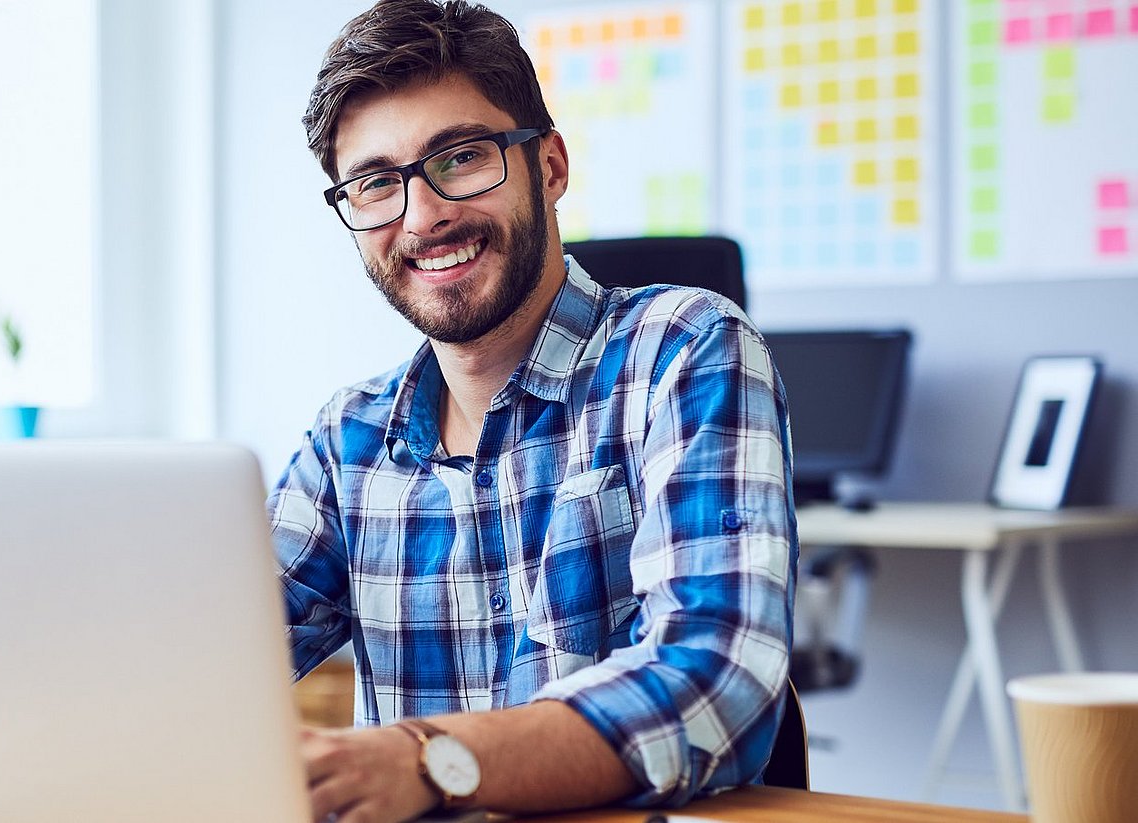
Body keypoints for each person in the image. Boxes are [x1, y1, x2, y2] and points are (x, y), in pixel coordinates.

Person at [269, 2, 798, 820]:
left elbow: (717, 679)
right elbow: (210, 665)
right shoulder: (350, 439)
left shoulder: (683, 351)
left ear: (549, 166)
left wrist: (427, 762)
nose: (423, 215)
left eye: (461, 157)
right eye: (377, 183)